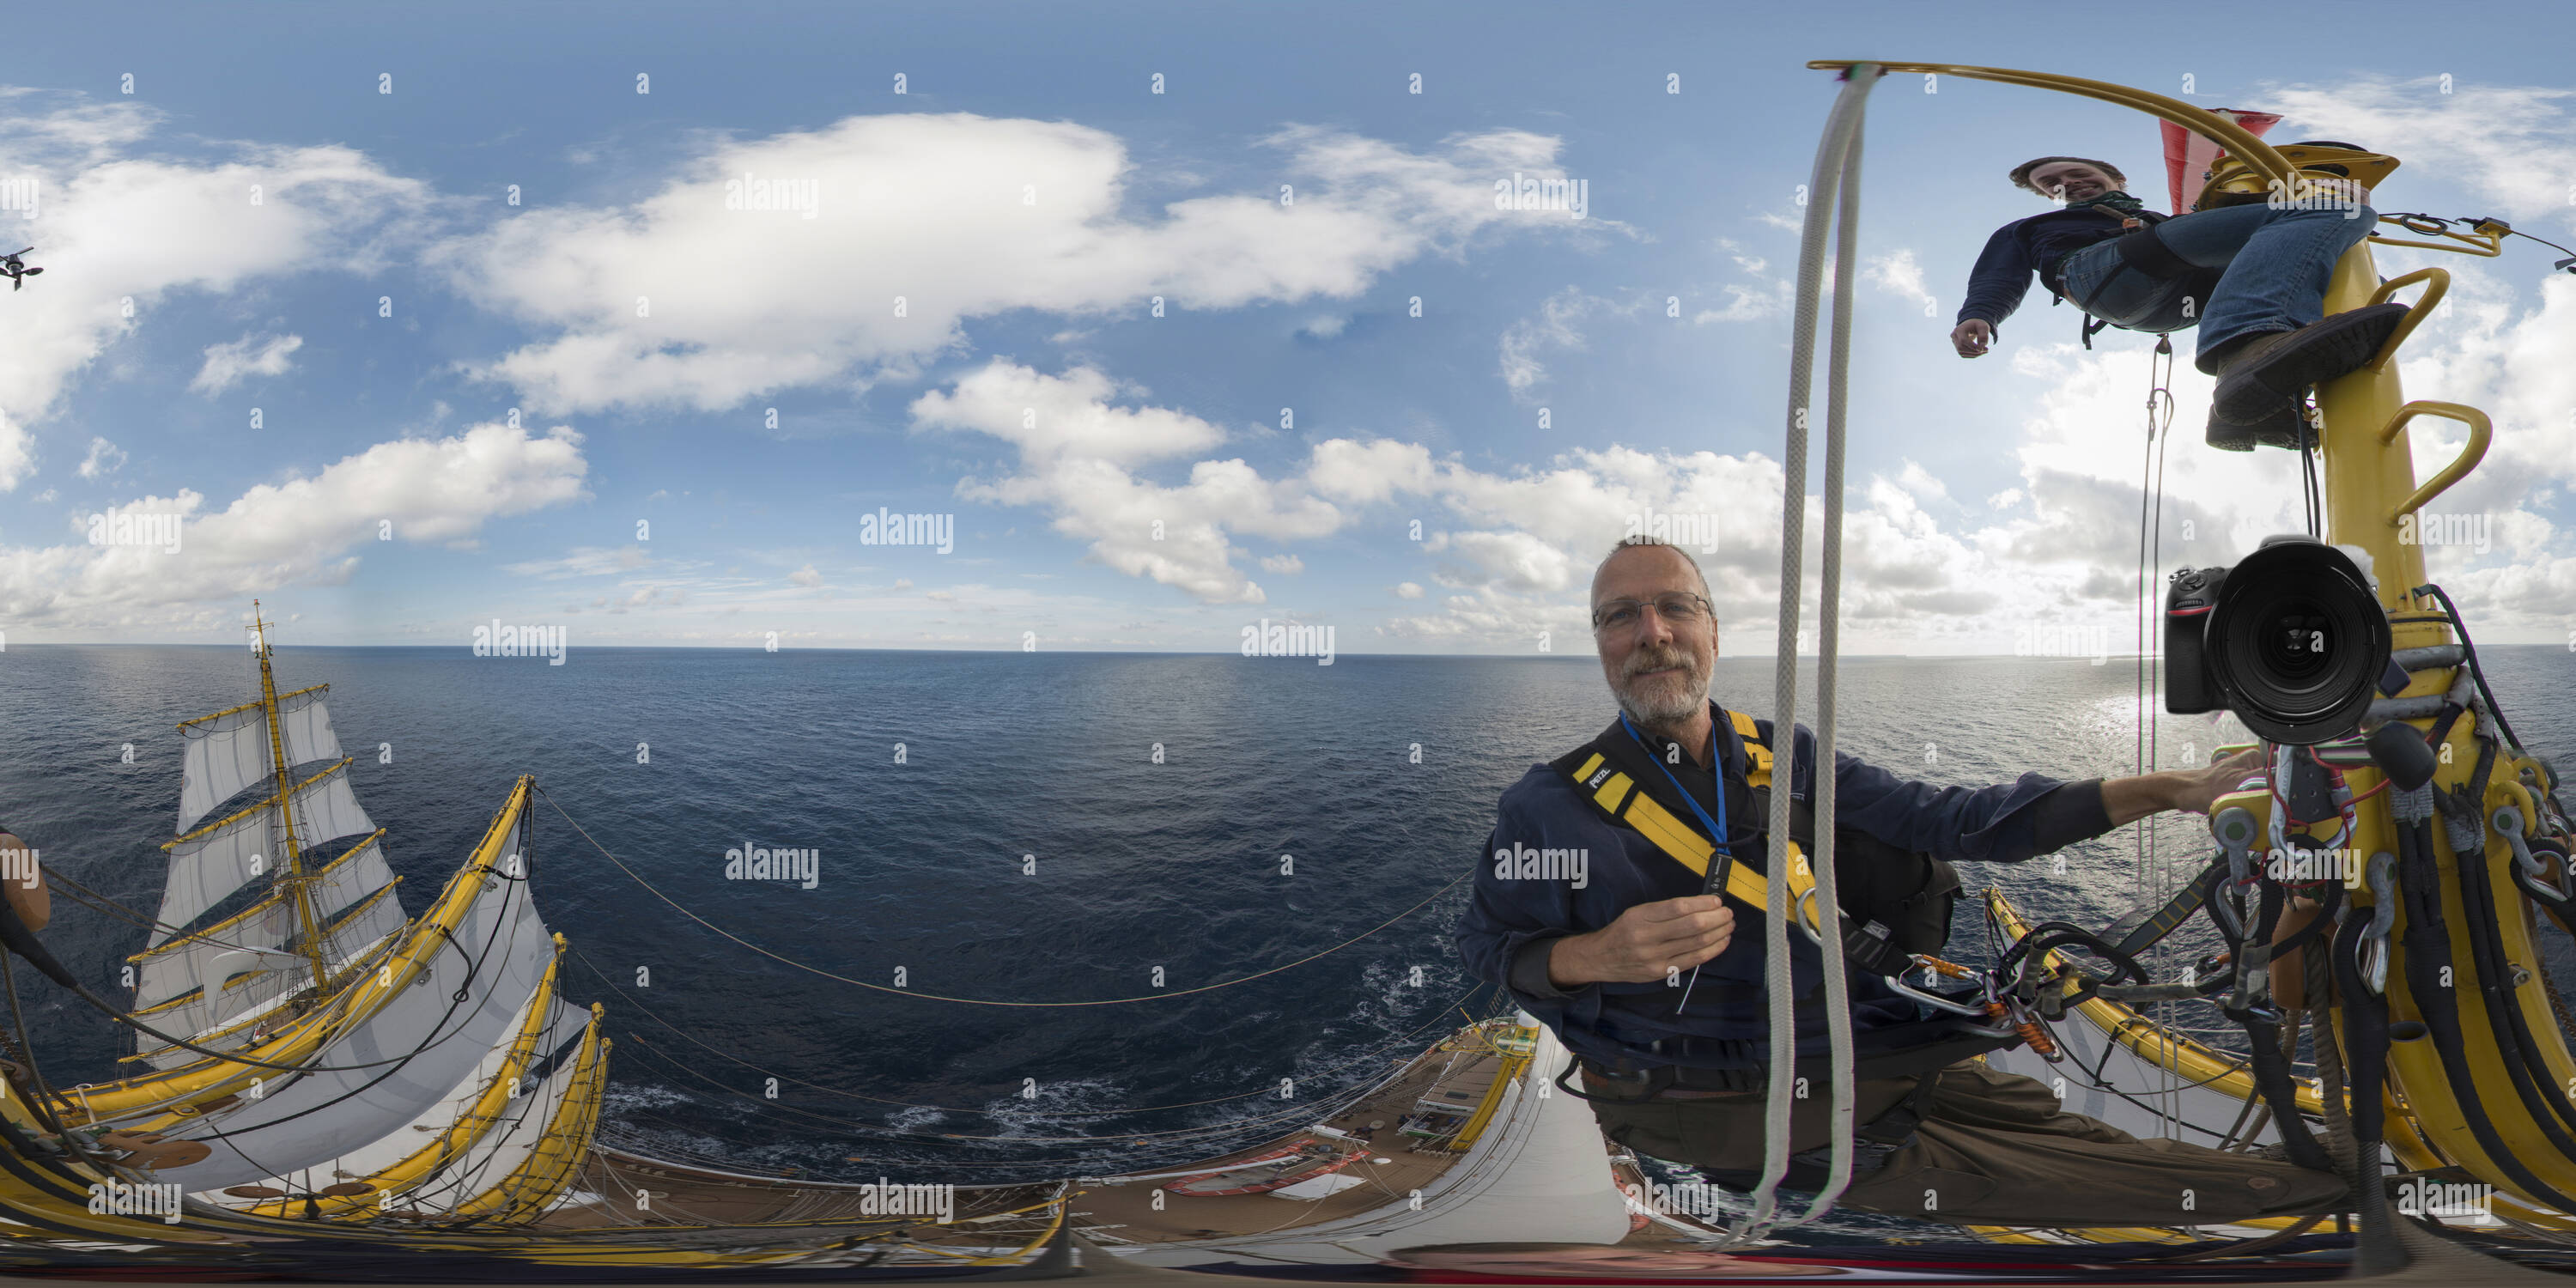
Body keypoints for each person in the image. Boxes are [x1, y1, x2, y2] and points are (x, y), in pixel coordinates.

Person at [1453, 537, 2351, 1228]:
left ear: (1713, 633)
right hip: (1729, 1112)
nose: (1652, 634)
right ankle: (2364, 1210)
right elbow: (1489, 947)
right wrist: (1589, 954)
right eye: (1622, 617)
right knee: (2181, 1192)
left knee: (2068, 1129)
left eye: (1674, 607)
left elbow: (1956, 818)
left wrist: (2175, 789)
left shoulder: (1782, 755)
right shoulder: (1549, 808)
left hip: (1864, 1059)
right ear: (1601, 646)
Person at [1947, 154, 2404, 453]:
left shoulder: (2166, 223)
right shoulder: (2030, 228)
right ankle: (2247, 353)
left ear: (2116, 178)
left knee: (2320, 262)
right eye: (2052, 184)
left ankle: (2248, 409)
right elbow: (1998, 275)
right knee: (2338, 213)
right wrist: (1979, 315)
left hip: (2173, 298)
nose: (2066, 184)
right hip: (2103, 273)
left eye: (2076, 173)